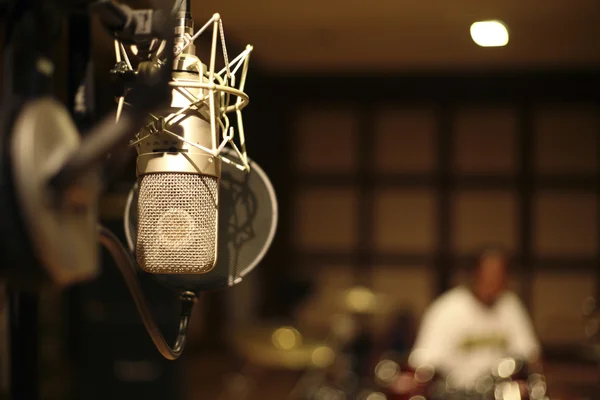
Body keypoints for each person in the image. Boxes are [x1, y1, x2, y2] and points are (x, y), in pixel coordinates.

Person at [409, 247, 541, 389]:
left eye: (499, 275)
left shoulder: (511, 306)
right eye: (489, 274)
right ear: (476, 274)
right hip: (455, 394)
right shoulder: (447, 309)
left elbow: (531, 357)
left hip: (500, 392)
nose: (493, 281)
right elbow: (423, 364)